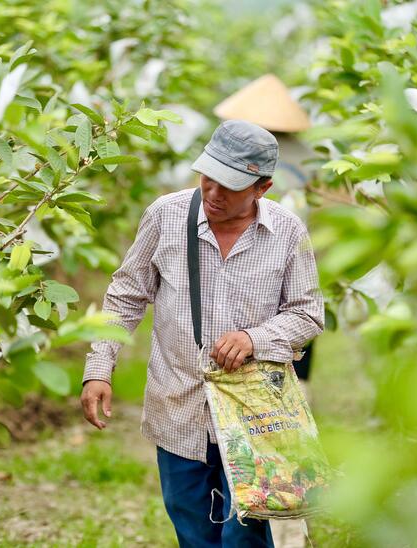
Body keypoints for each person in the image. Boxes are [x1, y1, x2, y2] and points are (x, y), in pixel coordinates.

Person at [80, 119, 325, 548]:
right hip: (179, 408)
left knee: (245, 535)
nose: (212, 193)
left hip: (255, 417)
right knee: (193, 530)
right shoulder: (166, 217)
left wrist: (255, 339)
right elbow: (125, 296)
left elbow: (308, 314)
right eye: (208, 178)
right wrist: (99, 367)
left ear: (262, 188)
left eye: (228, 187)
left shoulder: (287, 232)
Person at [212, 74, 319, 398]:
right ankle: (291, 397)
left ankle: (236, 393)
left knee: (248, 321)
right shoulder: (308, 154)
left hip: (252, 241)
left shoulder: (237, 154)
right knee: (295, 316)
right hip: (299, 246)